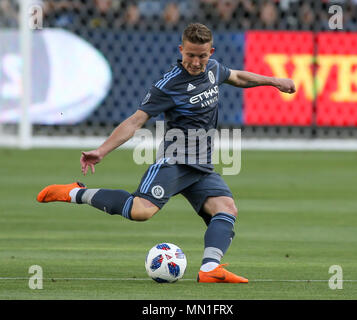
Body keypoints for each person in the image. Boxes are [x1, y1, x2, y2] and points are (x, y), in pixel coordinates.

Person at [37, 23, 295, 283]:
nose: (195, 62)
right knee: (141, 211)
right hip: (175, 161)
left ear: (211, 52)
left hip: (202, 165)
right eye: (190, 55)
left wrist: (274, 81)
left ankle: (209, 269)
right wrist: (102, 150)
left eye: (202, 56)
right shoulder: (168, 85)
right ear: (181, 50)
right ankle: (74, 192)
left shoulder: (214, 69)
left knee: (226, 209)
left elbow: (238, 77)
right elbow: (135, 121)